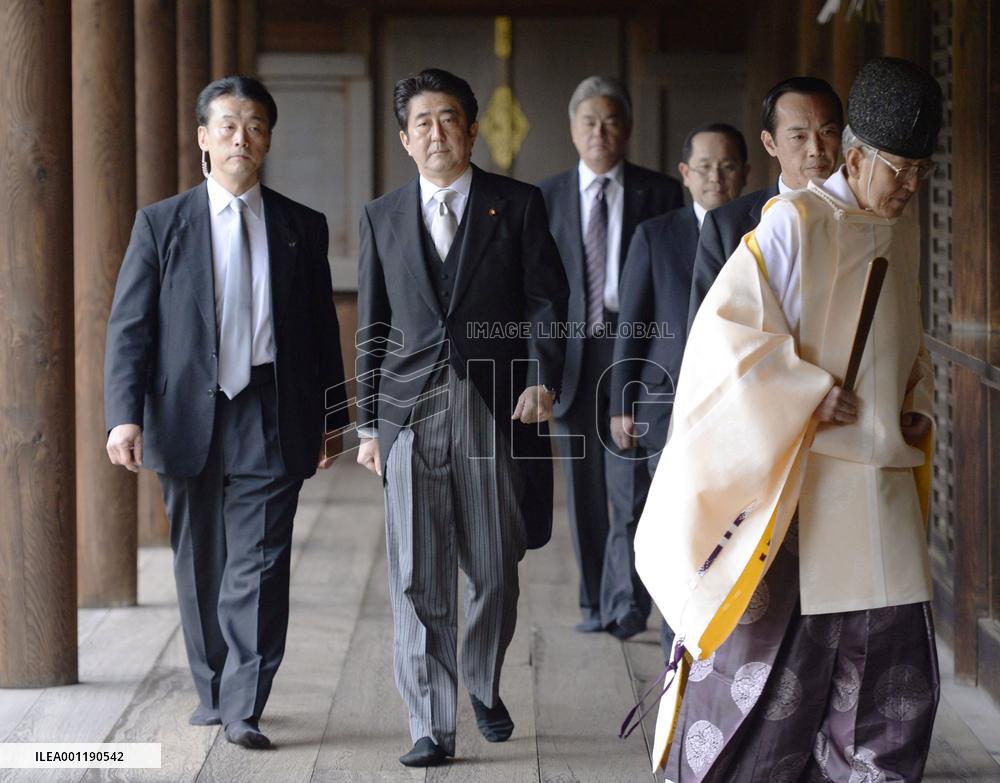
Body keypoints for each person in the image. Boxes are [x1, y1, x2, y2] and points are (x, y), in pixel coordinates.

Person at [634, 57, 942, 782]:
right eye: (899, 169)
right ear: (858, 156)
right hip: (799, 490)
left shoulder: (897, 229)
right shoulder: (792, 225)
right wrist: (804, 390)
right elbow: (726, 338)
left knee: (891, 685)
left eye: (921, 173)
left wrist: (914, 403)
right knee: (768, 682)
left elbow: (910, 345)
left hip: (879, 482)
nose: (909, 187)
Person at [104, 75, 349, 749]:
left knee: (263, 563)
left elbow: (322, 330)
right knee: (200, 559)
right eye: (229, 125)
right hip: (186, 411)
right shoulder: (162, 223)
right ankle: (211, 686)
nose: (243, 137)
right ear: (204, 137)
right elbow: (131, 327)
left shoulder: (303, 225)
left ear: (268, 139)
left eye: (256, 126)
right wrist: (122, 415)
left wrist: (335, 416)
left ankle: (244, 702)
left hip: (272, 407)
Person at [355, 68, 568, 767]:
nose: (437, 132)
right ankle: (430, 721)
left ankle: (480, 677)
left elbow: (546, 301)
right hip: (408, 411)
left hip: (494, 405)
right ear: (404, 138)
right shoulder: (381, 215)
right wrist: (365, 425)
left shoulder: (518, 203)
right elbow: (373, 325)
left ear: (473, 130)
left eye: (450, 119)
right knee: (417, 573)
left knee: (496, 568)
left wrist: (541, 377)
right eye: (423, 122)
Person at [538, 75, 683, 639]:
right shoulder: (545, 197)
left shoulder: (662, 192)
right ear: (573, 130)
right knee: (584, 487)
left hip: (641, 349)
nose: (600, 132)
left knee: (636, 479)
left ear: (628, 128)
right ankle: (594, 599)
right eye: (588, 121)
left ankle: (631, 600)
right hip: (575, 355)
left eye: (611, 120)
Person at [610, 123, 749, 656]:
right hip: (664, 403)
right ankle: (677, 648)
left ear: (746, 173)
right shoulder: (656, 234)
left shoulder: (763, 228)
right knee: (675, 528)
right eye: (706, 166)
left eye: (728, 166)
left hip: (740, 406)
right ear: (685, 174)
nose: (717, 176)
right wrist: (622, 402)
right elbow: (634, 325)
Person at [688, 77, 843, 327]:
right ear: (770, 143)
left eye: (827, 132)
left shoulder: (862, 215)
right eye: (799, 137)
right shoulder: (726, 225)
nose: (816, 148)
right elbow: (706, 329)